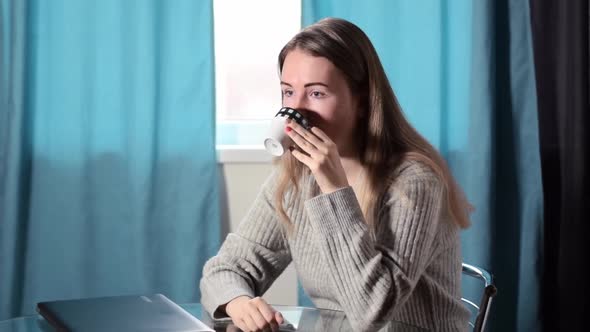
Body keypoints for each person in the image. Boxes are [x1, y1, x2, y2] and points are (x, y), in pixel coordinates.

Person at [200, 17, 472, 332]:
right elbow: (224, 269)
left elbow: (371, 314)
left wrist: (334, 190)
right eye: (288, 93)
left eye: (316, 94)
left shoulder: (414, 180)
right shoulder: (296, 179)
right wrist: (239, 302)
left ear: (361, 101)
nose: (297, 110)